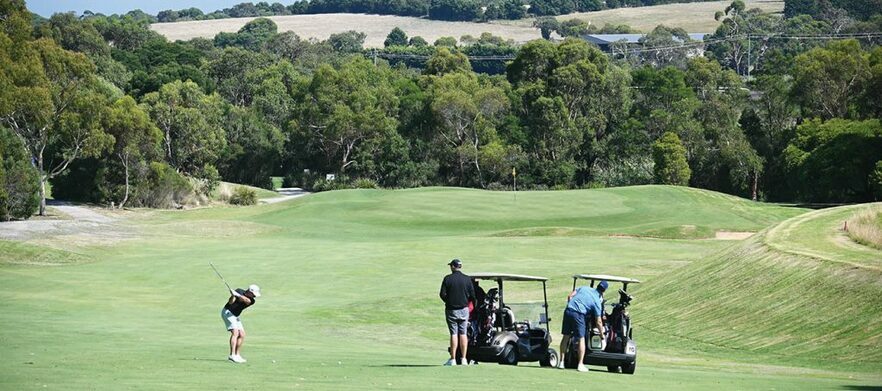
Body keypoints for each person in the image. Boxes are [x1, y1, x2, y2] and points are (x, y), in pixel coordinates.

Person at [557, 280, 607, 372]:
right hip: (579, 314)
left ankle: (561, 362)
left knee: (566, 336)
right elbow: (599, 321)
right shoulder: (597, 301)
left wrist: (571, 305)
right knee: (581, 338)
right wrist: (601, 334)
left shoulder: (584, 288)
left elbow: (570, 296)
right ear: (604, 291)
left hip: (568, 310)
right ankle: (580, 364)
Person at [439, 258, 475, 366]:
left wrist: (449, 301)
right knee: (463, 333)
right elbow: (472, 295)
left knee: (454, 333)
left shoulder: (447, 279)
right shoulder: (467, 279)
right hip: (464, 309)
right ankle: (464, 359)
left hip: (451, 310)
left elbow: (442, 294)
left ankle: (453, 359)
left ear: (453, 267)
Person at [221, 284, 261, 363]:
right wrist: (233, 295)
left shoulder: (252, 300)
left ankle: (237, 355)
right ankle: (232, 355)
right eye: (253, 294)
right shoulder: (239, 290)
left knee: (242, 334)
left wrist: (237, 295)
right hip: (228, 312)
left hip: (235, 315)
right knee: (235, 333)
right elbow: (230, 302)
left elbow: (246, 301)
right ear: (249, 292)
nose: (254, 296)